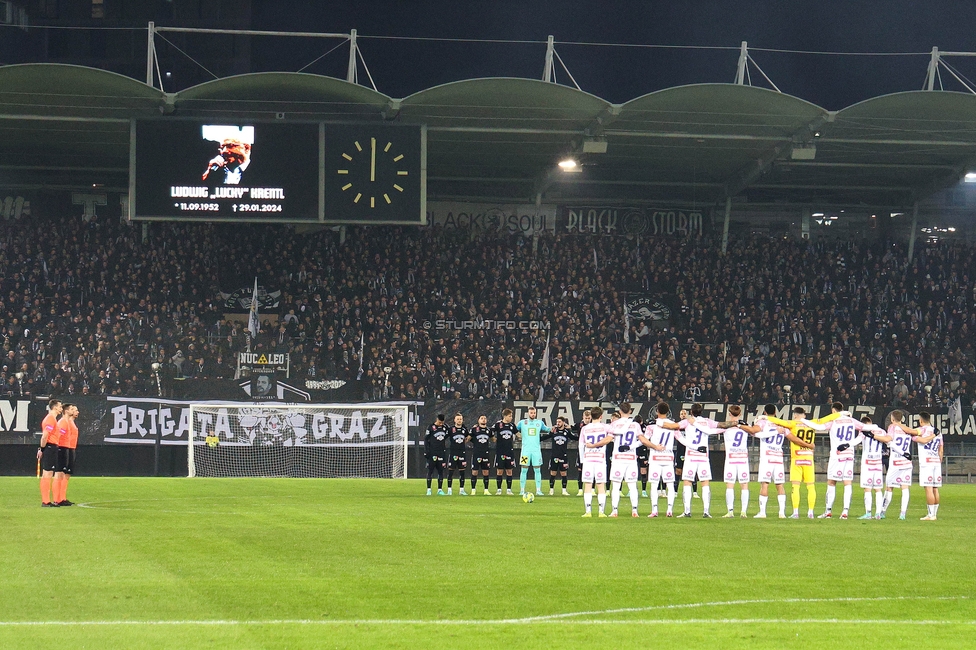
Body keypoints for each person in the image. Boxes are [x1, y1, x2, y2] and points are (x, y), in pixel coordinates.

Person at [765, 406, 842, 519]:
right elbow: (827, 418)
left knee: (795, 486)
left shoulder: (792, 423)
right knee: (810, 486)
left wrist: (765, 417)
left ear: (795, 415)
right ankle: (810, 512)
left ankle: (796, 512)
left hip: (796, 458)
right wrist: (842, 413)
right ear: (804, 415)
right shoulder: (812, 423)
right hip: (809, 458)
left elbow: (778, 421)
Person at [739, 404, 814, 518]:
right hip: (778, 458)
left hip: (767, 458)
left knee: (765, 484)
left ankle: (762, 512)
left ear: (765, 412)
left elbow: (753, 430)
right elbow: (794, 439)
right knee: (780, 485)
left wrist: (740, 425)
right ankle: (782, 513)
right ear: (775, 413)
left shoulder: (763, 423)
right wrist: (808, 445)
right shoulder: (782, 425)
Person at [816, 403, 880, 520]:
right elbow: (866, 427)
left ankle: (828, 511)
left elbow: (819, 427)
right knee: (847, 483)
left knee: (831, 482)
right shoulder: (851, 421)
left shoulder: (833, 421)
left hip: (837, 455)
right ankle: (845, 512)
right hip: (849, 454)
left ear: (834, 411)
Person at [899, 412, 942, 521]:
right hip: (936, 462)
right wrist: (938, 461)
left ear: (921, 421)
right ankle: (934, 514)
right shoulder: (938, 432)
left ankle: (931, 515)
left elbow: (910, 431)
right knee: (935, 488)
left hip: (926, 463)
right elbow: (941, 449)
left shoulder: (922, 430)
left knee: (928, 488)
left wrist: (898, 424)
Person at [640, 402, 678, 518]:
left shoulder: (651, 425)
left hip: (655, 458)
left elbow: (644, 440)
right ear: (668, 411)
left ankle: (654, 510)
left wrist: (654, 446)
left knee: (654, 485)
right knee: (670, 485)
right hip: (668, 458)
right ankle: (669, 510)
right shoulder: (673, 425)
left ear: (657, 411)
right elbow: (681, 439)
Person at [607, 402, 644, 517]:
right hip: (631, 458)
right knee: (632, 485)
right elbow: (641, 441)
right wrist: (630, 447)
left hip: (618, 458)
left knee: (616, 485)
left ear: (619, 412)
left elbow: (609, 438)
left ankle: (614, 510)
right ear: (630, 411)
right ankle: (634, 510)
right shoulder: (636, 425)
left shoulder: (614, 424)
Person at [879, 410, 914, 520]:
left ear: (893, 419)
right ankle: (903, 514)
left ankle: (883, 512)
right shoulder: (906, 429)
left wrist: (876, 436)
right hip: (906, 462)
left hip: (895, 462)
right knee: (905, 487)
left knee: (889, 487)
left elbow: (888, 439)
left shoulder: (892, 427)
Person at [579, 407, 611, 517]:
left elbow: (580, 445)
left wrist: (582, 460)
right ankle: (601, 511)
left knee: (588, 485)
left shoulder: (585, 429)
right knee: (600, 485)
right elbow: (612, 437)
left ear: (591, 416)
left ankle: (588, 511)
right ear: (601, 416)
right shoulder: (606, 427)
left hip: (588, 459)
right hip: (600, 459)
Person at [857, 415, 890, 519]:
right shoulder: (882, 431)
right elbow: (887, 441)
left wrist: (847, 445)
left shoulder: (863, 431)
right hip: (877, 462)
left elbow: (857, 440)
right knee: (878, 489)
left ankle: (868, 513)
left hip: (867, 462)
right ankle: (878, 513)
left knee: (867, 489)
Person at [720, 405, 751, 518]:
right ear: (740, 414)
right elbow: (755, 431)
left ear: (729, 414)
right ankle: (743, 512)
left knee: (730, 485)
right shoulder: (745, 426)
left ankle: (730, 511)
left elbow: (711, 429)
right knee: (744, 485)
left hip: (731, 459)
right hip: (742, 459)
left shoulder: (725, 426)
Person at [515, 406, 550, 496]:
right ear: (528, 413)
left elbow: (547, 429)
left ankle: (538, 490)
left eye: (534, 413)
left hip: (536, 451)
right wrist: (518, 435)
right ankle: (522, 490)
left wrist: (555, 427)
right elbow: (514, 430)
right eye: (531, 413)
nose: (533, 414)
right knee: (524, 470)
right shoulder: (522, 423)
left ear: (536, 413)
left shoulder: (539, 423)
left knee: (537, 470)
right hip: (525, 450)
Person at [37, 399, 63, 507]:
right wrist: (42, 449)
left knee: (49, 473)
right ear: (55, 407)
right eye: (60, 406)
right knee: (47, 474)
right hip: (50, 447)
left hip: (52, 447)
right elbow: (45, 436)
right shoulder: (50, 419)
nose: (61, 408)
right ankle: (45, 501)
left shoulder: (53, 419)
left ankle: (47, 500)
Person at [542, 416, 576, 495]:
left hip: (563, 456)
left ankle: (564, 490)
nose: (558, 423)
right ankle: (551, 490)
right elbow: (545, 437)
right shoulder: (554, 431)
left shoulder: (567, 432)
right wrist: (536, 438)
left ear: (563, 422)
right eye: (557, 422)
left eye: (559, 422)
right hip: (554, 455)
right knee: (553, 473)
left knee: (563, 474)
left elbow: (575, 437)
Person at [55, 403, 79, 506]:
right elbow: (59, 435)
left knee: (66, 473)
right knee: (60, 473)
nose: (76, 412)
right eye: (73, 409)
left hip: (70, 447)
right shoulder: (64, 422)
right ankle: (58, 498)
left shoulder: (69, 422)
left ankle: (62, 497)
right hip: (64, 448)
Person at [491, 409, 518, 495]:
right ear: (505, 416)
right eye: (510, 416)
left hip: (509, 451)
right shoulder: (498, 424)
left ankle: (509, 490)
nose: (511, 418)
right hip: (500, 451)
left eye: (511, 416)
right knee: (499, 471)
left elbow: (518, 434)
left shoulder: (512, 425)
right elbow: (490, 431)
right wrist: (493, 438)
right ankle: (499, 489)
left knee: (509, 471)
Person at [467, 415, 494, 495]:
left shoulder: (489, 430)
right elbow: (468, 438)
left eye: (485, 418)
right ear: (478, 420)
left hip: (485, 453)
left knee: (486, 472)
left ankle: (486, 490)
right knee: (474, 472)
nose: (483, 420)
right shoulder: (474, 429)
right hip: (476, 453)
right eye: (481, 418)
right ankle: (473, 490)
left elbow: (493, 439)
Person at [424, 414, 449, 496]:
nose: (441, 424)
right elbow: (426, 439)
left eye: (442, 422)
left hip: (441, 452)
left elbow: (451, 432)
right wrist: (426, 451)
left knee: (441, 471)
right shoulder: (431, 427)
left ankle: (440, 490)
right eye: (439, 422)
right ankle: (429, 490)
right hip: (432, 452)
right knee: (430, 471)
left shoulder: (445, 427)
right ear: (437, 419)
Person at [446, 413, 469, 495]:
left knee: (462, 472)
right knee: (451, 471)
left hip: (462, 453)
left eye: (461, 419)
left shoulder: (464, 430)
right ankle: (449, 489)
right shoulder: (451, 429)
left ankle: (461, 490)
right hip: (453, 453)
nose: (459, 420)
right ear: (454, 420)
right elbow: (445, 437)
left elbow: (468, 437)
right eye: (458, 419)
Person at [571, 409, 591, 495]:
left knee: (591, 470)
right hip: (581, 450)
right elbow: (572, 429)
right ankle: (580, 489)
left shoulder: (593, 426)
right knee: (580, 470)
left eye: (588, 418)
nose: (587, 419)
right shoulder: (579, 425)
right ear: (583, 417)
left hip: (591, 450)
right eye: (586, 418)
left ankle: (592, 490)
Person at [633, 415, 650, 497]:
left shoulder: (645, 427)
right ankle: (632, 490)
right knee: (633, 471)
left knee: (643, 471)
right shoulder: (632, 427)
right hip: (634, 450)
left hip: (643, 451)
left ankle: (643, 490)